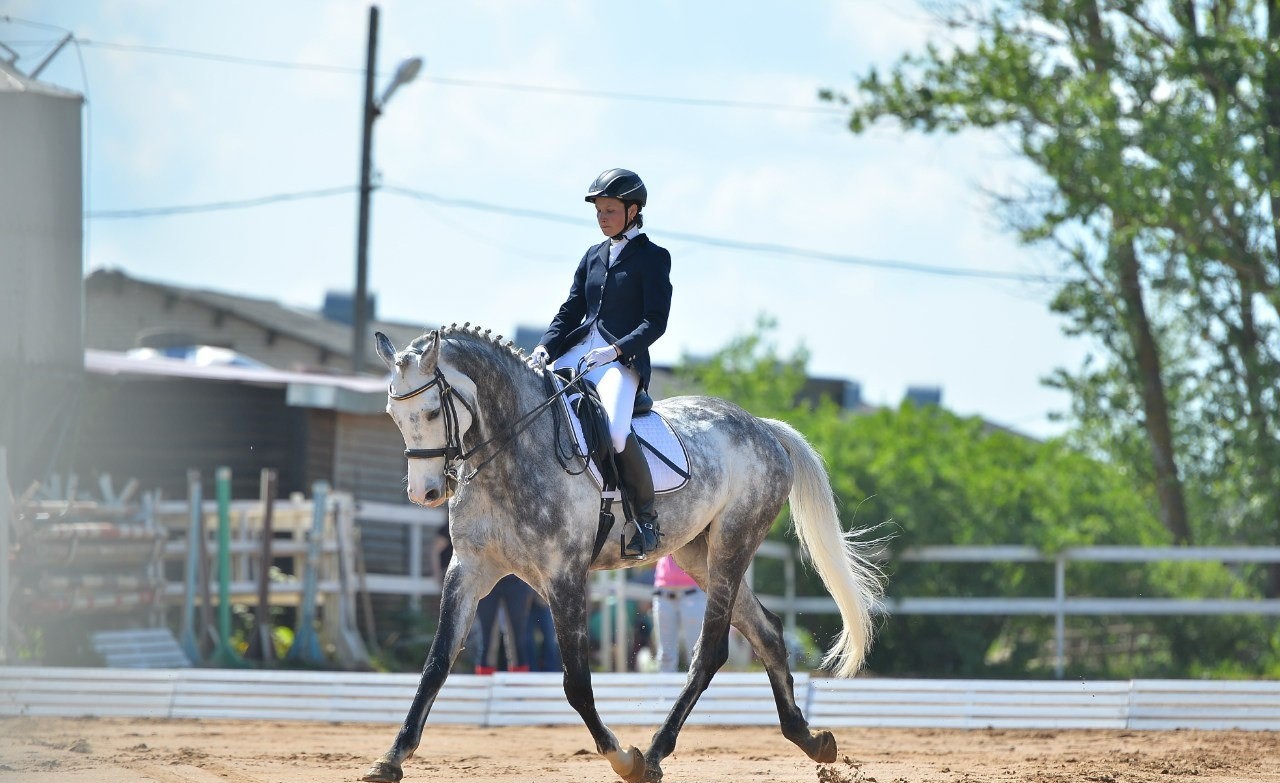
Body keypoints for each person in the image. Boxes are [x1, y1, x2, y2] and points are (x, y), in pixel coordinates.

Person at [532, 168, 673, 559]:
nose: (602, 218)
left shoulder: (653, 258)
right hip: (577, 353)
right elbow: (572, 309)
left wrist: (616, 352)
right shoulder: (592, 256)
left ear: (632, 211)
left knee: (613, 432)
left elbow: (655, 321)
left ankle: (645, 520)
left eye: (610, 210)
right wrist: (545, 347)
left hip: (618, 361)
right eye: (599, 211)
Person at [652, 555, 706, 673]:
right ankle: (665, 689)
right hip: (664, 591)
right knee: (665, 654)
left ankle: (697, 688)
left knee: (695, 651)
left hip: (692, 592)